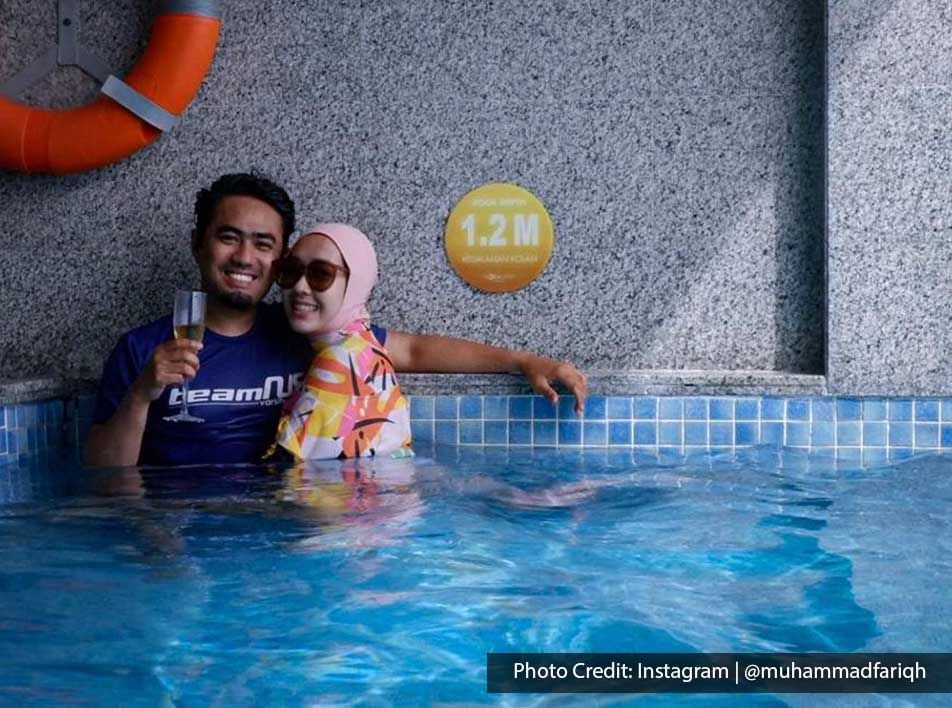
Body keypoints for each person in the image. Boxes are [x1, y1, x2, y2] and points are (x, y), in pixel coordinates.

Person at [85, 173, 587, 467]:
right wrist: (144, 392)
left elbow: (409, 350)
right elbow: (103, 472)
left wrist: (523, 359)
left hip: (281, 524)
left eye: (264, 245)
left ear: (279, 260)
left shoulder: (302, 331)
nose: (245, 257)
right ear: (200, 245)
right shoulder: (143, 348)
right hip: (184, 525)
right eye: (228, 237)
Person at [268, 224, 414, 461]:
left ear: (356, 283)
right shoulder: (363, 347)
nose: (299, 287)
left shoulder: (343, 361)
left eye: (321, 274)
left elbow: (288, 473)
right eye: (291, 271)